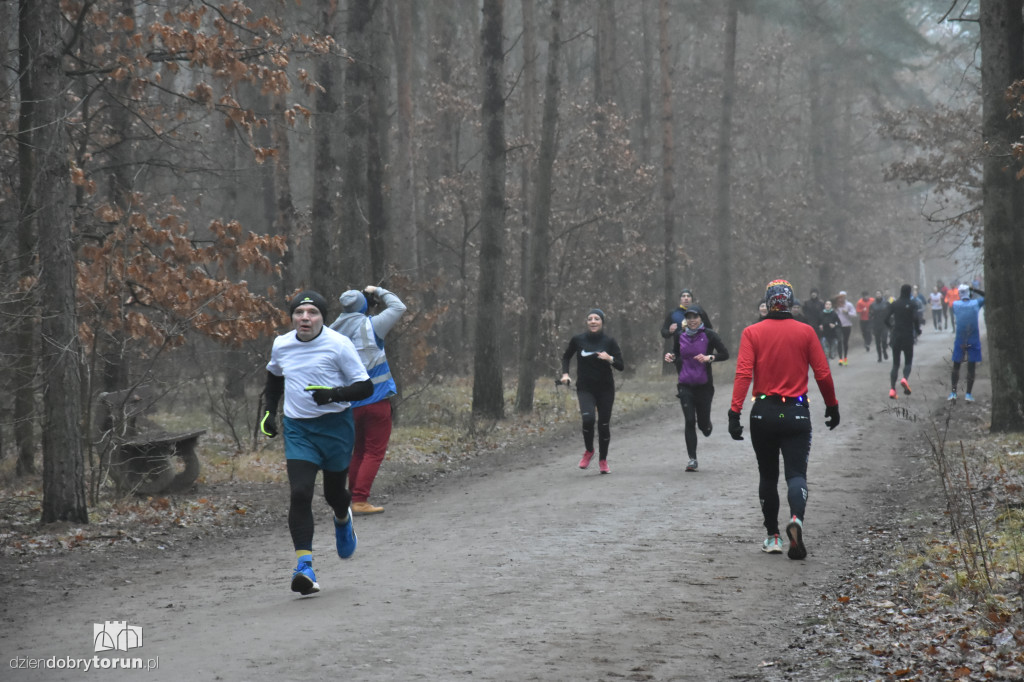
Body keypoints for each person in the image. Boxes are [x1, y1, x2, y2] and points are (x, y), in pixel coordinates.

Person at [260, 290, 373, 595]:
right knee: (299, 492)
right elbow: (273, 379)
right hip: (299, 429)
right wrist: (269, 414)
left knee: (334, 493)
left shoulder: (338, 345)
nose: (305, 318)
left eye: (312, 313)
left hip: (335, 427)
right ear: (292, 317)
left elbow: (365, 386)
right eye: (299, 312)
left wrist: (333, 394)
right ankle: (304, 567)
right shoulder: (282, 344)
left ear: (323, 317)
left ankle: (342, 517)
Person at [728, 279, 839, 560]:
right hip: (796, 413)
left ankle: (773, 537)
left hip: (763, 412)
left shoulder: (752, 332)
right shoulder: (806, 332)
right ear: (790, 302)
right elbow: (823, 374)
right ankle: (797, 521)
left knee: (767, 475)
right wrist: (832, 406)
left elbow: (743, 374)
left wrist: (734, 412)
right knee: (796, 475)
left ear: (768, 302)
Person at [329, 285, 407, 515]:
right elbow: (398, 306)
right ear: (363, 305)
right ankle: (360, 500)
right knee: (373, 452)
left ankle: (352, 498)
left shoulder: (331, 333)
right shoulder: (372, 325)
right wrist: (378, 289)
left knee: (359, 451)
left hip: (349, 404)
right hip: (376, 401)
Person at [664, 305, 730, 472]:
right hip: (685, 384)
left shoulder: (709, 335)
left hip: (704, 385)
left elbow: (725, 354)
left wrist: (710, 357)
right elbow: (676, 353)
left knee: (702, 425)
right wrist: (671, 356)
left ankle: (707, 425)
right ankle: (692, 459)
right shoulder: (680, 335)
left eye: (695, 317)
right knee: (689, 421)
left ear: (701, 318)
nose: (692, 320)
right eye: (689, 317)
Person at [561, 309, 624, 474]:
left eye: (597, 319)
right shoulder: (578, 339)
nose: (593, 321)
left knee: (603, 424)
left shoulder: (609, 341)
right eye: (590, 319)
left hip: (605, 389)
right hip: (585, 387)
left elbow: (621, 365)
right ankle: (589, 451)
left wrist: (609, 358)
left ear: (602, 322)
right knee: (588, 419)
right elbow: (566, 357)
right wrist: (565, 374)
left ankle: (603, 460)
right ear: (587, 322)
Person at [949, 284, 985, 403]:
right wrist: (974, 289)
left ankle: (953, 392)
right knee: (971, 367)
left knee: (956, 365)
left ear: (959, 294)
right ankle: (968, 394)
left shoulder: (955, 305)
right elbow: (987, 296)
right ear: (969, 293)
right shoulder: (976, 303)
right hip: (973, 338)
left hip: (960, 338)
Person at [884, 284, 921, 400]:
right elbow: (916, 319)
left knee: (895, 364)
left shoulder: (894, 304)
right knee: (908, 362)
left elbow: (885, 319)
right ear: (909, 292)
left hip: (896, 336)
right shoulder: (912, 304)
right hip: (908, 336)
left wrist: (891, 328)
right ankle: (905, 378)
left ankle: (892, 390)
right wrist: (918, 330)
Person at [834, 291, 857, 366]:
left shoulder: (849, 304)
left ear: (845, 297)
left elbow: (854, 314)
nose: (842, 298)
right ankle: (840, 359)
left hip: (847, 325)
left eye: (843, 296)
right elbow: (833, 314)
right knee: (839, 341)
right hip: (838, 325)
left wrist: (847, 313)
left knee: (845, 342)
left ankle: (845, 358)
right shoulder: (836, 305)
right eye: (840, 296)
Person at [868, 290, 890, 363]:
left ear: (881, 294)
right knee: (877, 342)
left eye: (879, 294)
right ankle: (879, 356)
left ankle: (884, 351)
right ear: (875, 295)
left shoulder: (886, 303)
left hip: (884, 324)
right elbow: (870, 315)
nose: (878, 295)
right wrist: (871, 317)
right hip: (876, 325)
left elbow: (890, 312)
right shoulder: (872, 305)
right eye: (877, 294)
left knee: (884, 339)